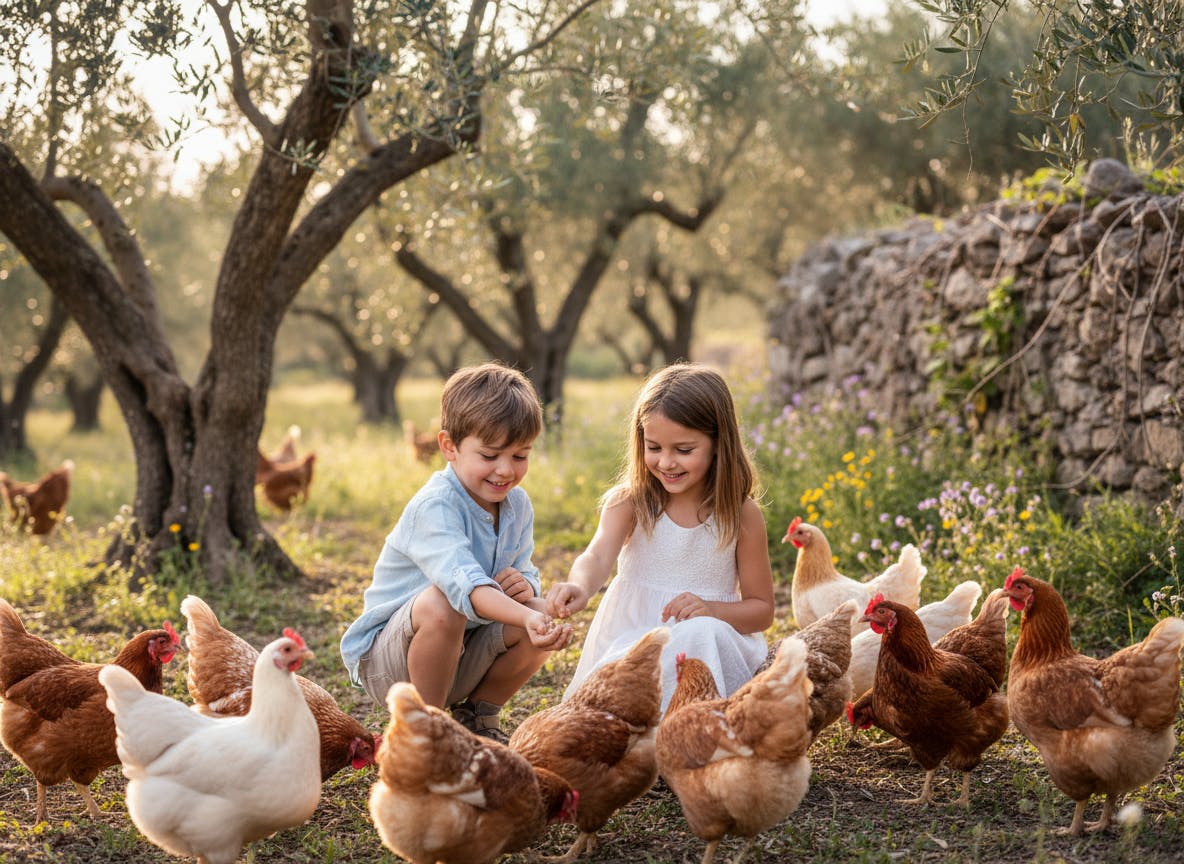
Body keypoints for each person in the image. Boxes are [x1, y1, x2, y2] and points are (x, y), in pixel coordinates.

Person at [340, 362, 572, 742]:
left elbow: (524, 570)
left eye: (520, 456)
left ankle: (476, 717)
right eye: (490, 455)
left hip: (462, 652)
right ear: (449, 446)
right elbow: (465, 586)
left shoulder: (517, 506)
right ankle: (427, 733)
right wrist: (523, 611)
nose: (505, 470)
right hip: (393, 665)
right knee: (444, 602)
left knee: (539, 618)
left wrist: (528, 589)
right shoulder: (436, 506)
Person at [546, 362, 774, 711]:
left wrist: (711, 611)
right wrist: (579, 585)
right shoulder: (631, 502)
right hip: (634, 639)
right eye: (654, 448)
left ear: (718, 443)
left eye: (683, 450)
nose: (666, 462)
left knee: (699, 632)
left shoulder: (740, 514)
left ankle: (691, 724)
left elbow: (762, 610)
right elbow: (597, 556)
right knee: (620, 689)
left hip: (708, 650)